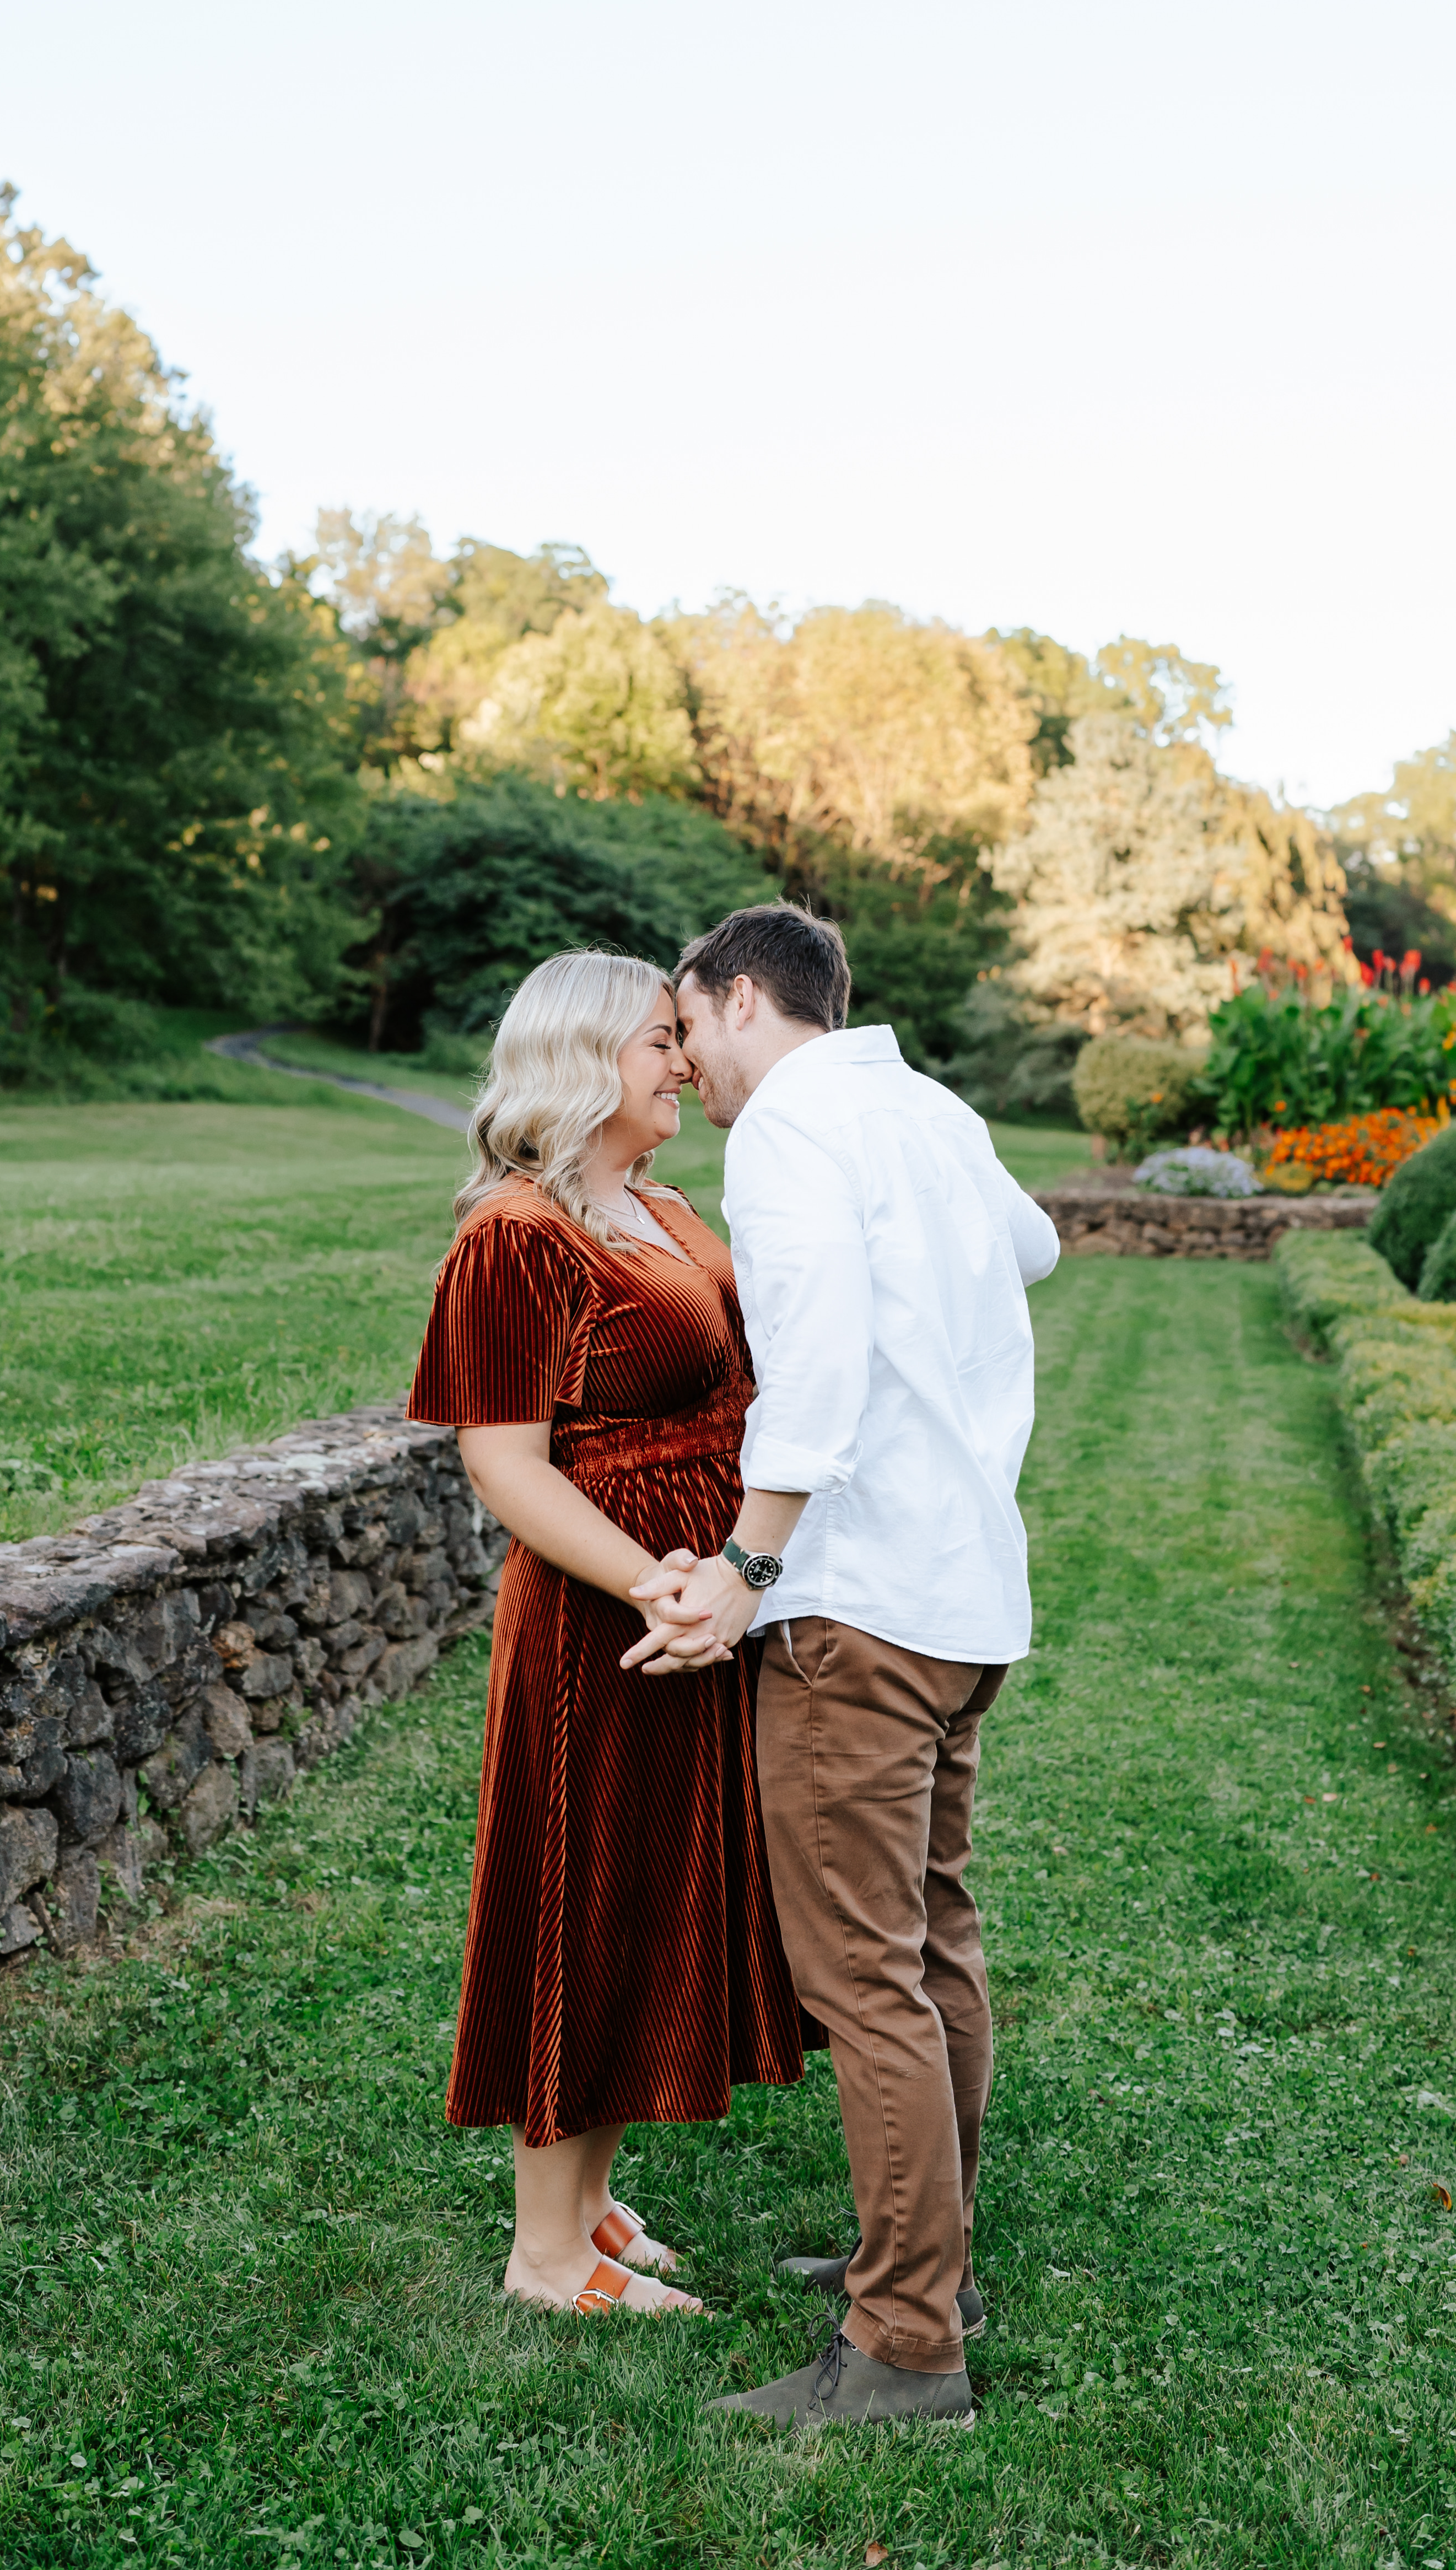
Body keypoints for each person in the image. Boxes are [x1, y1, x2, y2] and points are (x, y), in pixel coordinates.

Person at [625, 901, 1060, 2424]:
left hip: (856, 1608)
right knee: (936, 1945)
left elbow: (808, 1370)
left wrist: (748, 1568)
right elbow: (1039, 1243)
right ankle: (925, 2263)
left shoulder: (795, 1129)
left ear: (746, 1000)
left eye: (690, 1029)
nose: (691, 1064)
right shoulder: (928, 1110)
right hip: (965, 1602)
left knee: (868, 1980)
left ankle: (902, 2352)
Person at [407, 948, 808, 2318]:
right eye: (656, 1040)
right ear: (584, 1060)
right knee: (578, 1900)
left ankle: (586, 2200)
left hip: (694, 1597)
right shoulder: (516, 1234)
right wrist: (659, 1584)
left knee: (643, 1892)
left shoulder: (662, 1207)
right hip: (607, 1619)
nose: (683, 1061)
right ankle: (541, 2254)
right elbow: (505, 1464)